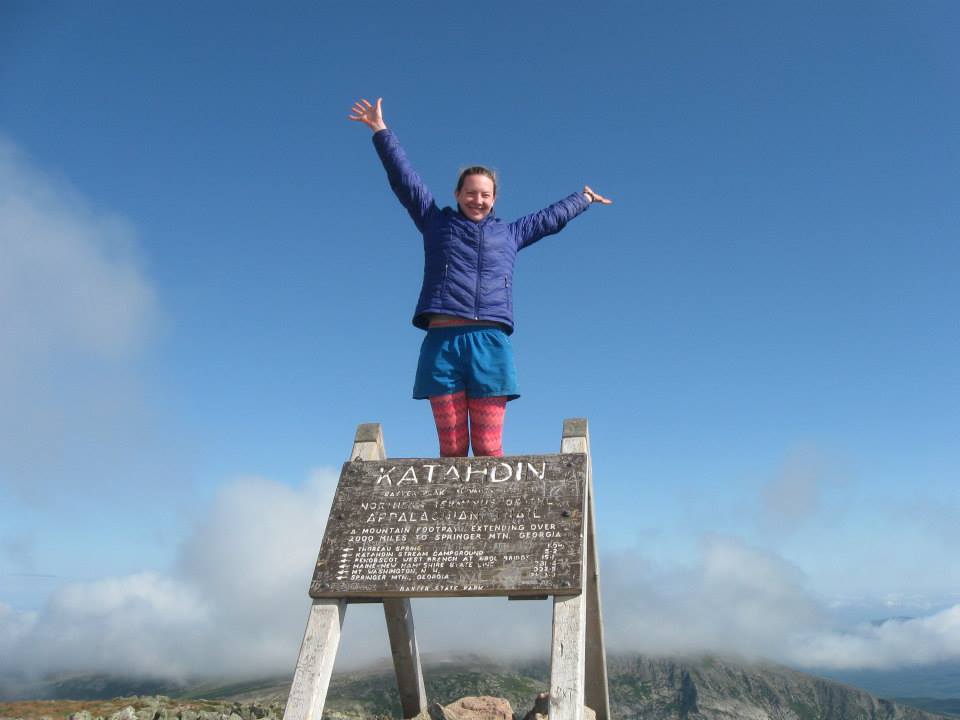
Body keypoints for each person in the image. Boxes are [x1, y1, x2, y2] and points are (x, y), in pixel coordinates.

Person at [349, 97, 612, 457]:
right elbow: (404, 180)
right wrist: (381, 132)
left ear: (495, 199)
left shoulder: (511, 233)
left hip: (490, 343)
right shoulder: (435, 222)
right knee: (453, 450)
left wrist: (582, 198)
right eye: (470, 193)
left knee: (489, 448)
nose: (478, 200)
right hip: (442, 344)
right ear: (457, 194)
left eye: (485, 194)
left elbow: (550, 218)